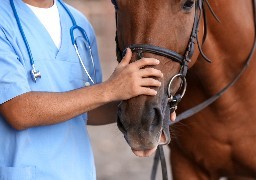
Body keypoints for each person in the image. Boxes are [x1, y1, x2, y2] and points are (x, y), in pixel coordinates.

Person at [0, 0, 176, 179]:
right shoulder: (3, 20)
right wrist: (110, 89)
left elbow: (88, 108)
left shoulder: (79, 24)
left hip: (79, 172)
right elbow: (18, 111)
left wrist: (143, 112)